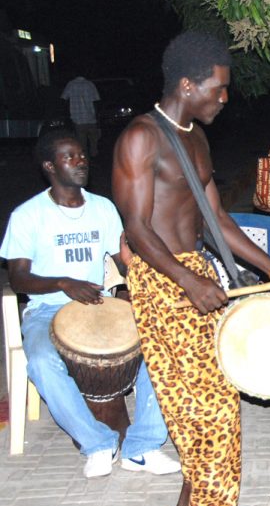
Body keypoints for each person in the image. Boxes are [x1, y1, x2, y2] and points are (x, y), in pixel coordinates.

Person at [112, 31, 270, 506]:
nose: (225, 98)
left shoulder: (194, 136)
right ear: (188, 84)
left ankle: (195, 499)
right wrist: (188, 279)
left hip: (191, 269)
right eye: (218, 89)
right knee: (211, 403)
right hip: (161, 277)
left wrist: (269, 265)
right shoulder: (141, 138)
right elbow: (138, 228)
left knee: (204, 396)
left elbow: (215, 217)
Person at [0, 130, 180, 479]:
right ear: (50, 166)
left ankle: (142, 447)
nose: (81, 161)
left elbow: (125, 261)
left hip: (101, 305)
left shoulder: (103, 208)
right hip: (47, 311)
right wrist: (63, 283)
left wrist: (151, 288)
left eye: (82, 155)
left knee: (163, 345)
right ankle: (98, 444)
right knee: (39, 361)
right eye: (71, 157)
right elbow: (18, 278)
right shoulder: (28, 215)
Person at [61, 76, 101, 157]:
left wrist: (68, 114)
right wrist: (97, 117)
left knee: (82, 145)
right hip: (91, 119)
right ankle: (94, 159)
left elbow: (63, 99)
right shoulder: (90, 84)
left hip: (78, 120)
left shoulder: (71, 84)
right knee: (94, 144)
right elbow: (96, 102)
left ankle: (85, 160)